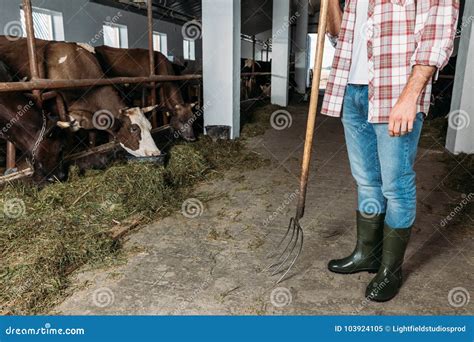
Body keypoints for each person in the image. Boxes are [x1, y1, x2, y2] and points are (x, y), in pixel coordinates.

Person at [321, 0, 460, 301]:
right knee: (367, 181)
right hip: (352, 91)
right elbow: (337, 35)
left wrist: (410, 97)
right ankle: (367, 254)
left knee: (395, 186)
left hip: (395, 91)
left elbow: (437, 34)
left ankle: (390, 271)